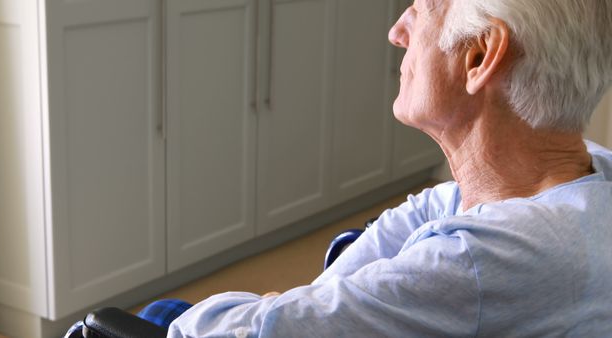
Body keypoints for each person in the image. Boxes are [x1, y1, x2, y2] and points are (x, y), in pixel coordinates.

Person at [64, 0, 612, 336]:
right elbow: (426, 208)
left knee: (162, 316)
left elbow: (263, 332)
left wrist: (291, 308)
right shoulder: (586, 175)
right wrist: (317, 302)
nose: (398, 30)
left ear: (478, 57)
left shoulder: (489, 260)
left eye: (420, 7)